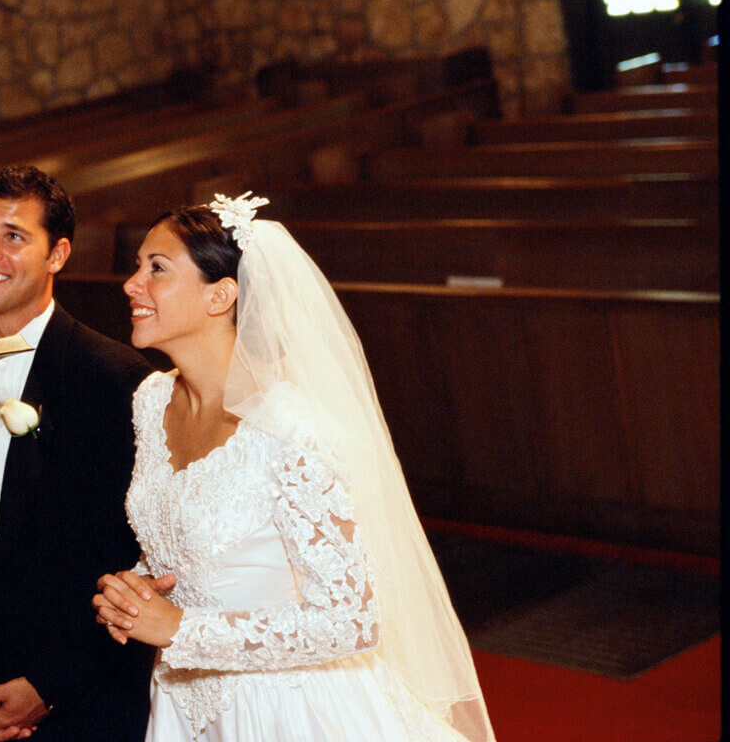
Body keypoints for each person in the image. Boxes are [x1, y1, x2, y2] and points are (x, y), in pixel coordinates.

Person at [93, 194, 497, 741]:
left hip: (288, 710)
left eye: (156, 269)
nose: (132, 284)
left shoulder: (287, 429)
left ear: (221, 295)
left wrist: (182, 628)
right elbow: (192, 542)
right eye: (138, 267)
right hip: (186, 704)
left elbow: (351, 621)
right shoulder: (151, 400)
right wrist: (140, 588)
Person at [0, 166, 156, 742]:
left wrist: (47, 686)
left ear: (58, 254)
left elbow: (133, 558)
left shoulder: (116, 380)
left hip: (94, 706)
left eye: (14, 236)